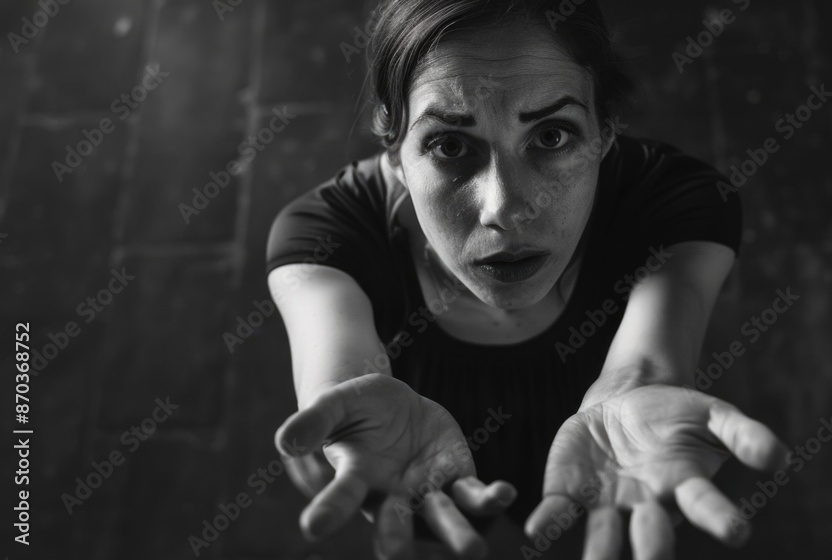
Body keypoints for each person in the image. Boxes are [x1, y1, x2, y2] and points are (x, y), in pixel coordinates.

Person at [266, 0, 788, 558]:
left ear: (605, 132)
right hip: (414, 453)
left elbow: (650, 358)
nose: (505, 209)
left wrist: (642, 391)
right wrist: (339, 412)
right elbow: (338, 362)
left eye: (552, 136)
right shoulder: (321, 233)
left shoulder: (678, 202)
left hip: (611, 450)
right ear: (394, 152)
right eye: (449, 145)